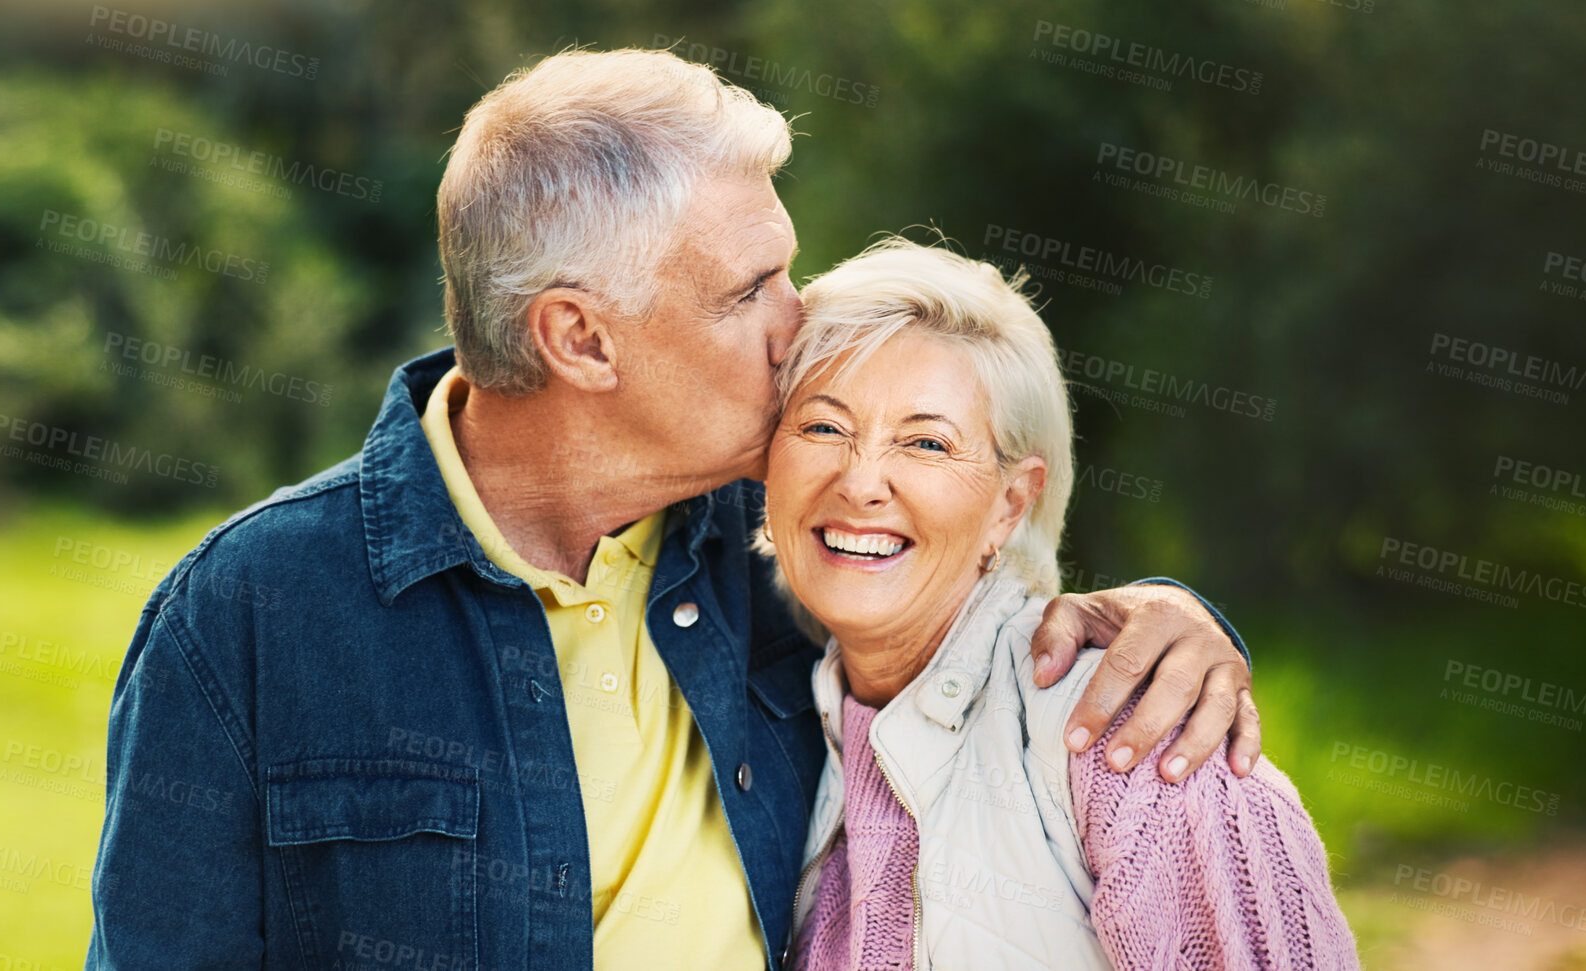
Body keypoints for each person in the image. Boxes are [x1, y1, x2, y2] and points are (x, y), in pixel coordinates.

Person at [86, 49, 1262, 970]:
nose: (797, 324)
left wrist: (1169, 614)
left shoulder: (780, 543)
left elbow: (978, 618)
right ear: (579, 337)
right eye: (749, 290)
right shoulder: (249, 613)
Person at [765, 239, 1356, 970]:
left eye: (926, 442)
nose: (860, 483)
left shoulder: (1132, 737)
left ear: (1010, 504)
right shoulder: (772, 724)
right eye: (824, 426)